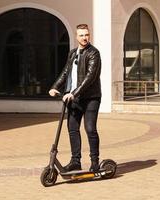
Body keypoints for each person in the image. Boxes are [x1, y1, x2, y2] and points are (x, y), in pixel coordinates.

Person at [49, 24, 102, 172]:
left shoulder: (93, 53)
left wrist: (74, 92)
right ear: (76, 36)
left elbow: (90, 77)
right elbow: (66, 72)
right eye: (81, 35)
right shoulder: (73, 53)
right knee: (72, 128)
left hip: (91, 97)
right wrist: (55, 87)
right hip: (73, 98)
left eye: (86, 35)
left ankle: (94, 162)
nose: (84, 38)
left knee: (90, 129)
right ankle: (75, 161)